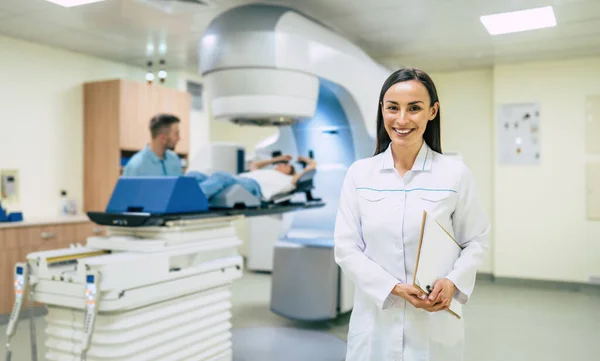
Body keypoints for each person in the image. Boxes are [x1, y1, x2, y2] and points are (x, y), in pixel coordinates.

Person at [334, 68, 490, 361]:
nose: (402, 119)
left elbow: (476, 240)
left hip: (433, 324)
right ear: (382, 110)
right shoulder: (359, 174)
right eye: (393, 108)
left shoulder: (455, 175)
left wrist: (454, 281)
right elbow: (345, 248)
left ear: (432, 111)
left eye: (414, 108)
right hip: (374, 324)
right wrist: (391, 288)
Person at [187, 154, 316, 202]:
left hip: (254, 187)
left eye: (286, 165)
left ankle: (191, 200)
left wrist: (304, 159)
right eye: (281, 163)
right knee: (194, 175)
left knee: (220, 176)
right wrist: (276, 159)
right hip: (239, 180)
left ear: (291, 172)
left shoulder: (289, 180)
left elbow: (313, 166)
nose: (282, 165)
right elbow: (254, 165)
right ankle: (176, 196)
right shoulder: (267, 171)